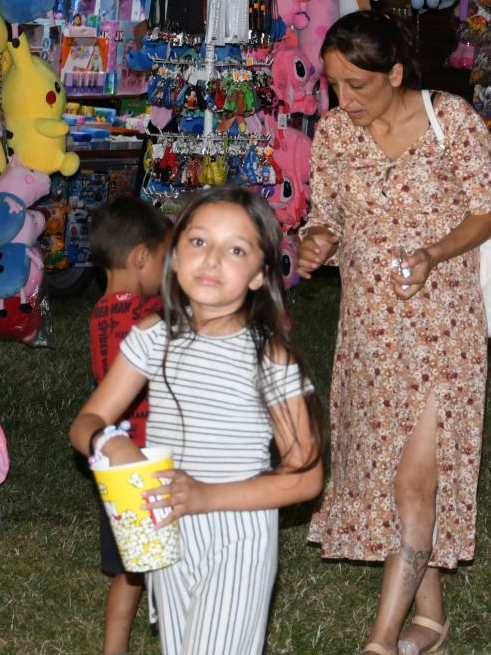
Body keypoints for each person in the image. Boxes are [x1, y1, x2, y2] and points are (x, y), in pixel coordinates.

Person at [297, 11, 491, 655]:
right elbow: (325, 216)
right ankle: (431, 620)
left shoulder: (452, 122)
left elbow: (488, 211)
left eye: (358, 85)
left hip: (441, 325)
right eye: (335, 85)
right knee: (390, 468)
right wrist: (316, 242)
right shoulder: (334, 136)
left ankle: (382, 639)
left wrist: (435, 252)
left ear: (395, 73)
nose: (345, 99)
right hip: (368, 327)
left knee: (416, 476)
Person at [69, 187, 325, 655]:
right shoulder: (152, 337)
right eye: (199, 242)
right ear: (174, 256)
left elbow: (305, 477)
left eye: (235, 250)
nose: (211, 260)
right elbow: (86, 421)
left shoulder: (269, 357)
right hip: (165, 530)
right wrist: (111, 442)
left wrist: (206, 496)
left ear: (258, 275)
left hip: (237, 537)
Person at [87, 196, 170, 655]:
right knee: (161, 566)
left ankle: (113, 648)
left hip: (114, 462)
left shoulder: (102, 313)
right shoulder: (146, 316)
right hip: (148, 460)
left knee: (131, 570)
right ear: (142, 256)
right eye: (164, 259)